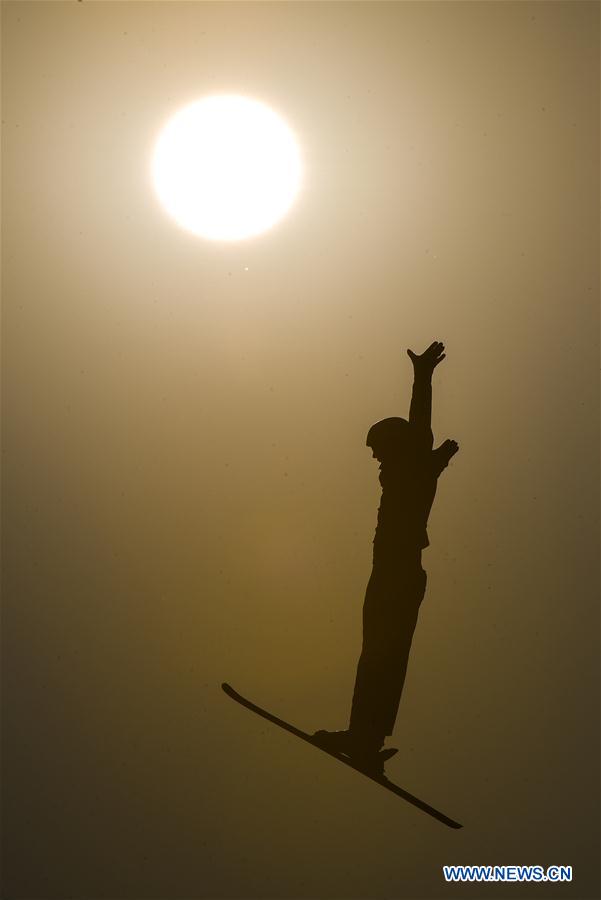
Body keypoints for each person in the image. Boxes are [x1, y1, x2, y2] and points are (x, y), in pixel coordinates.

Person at [313, 341, 459, 774]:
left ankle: (363, 737)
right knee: (382, 654)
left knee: (380, 653)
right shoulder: (411, 473)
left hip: (397, 572)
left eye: (377, 449)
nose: (375, 459)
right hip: (397, 572)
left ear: (395, 447)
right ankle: (367, 738)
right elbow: (421, 439)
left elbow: (420, 427)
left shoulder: (409, 470)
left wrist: (422, 377)